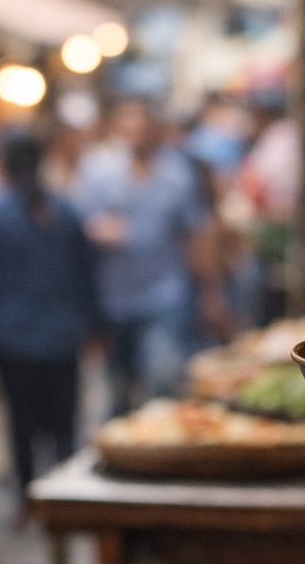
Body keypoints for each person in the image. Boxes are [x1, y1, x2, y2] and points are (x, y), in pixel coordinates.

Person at [73, 101, 225, 414]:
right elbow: (76, 223)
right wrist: (95, 231)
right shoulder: (97, 171)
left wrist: (211, 292)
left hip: (164, 293)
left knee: (162, 375)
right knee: (117, 384)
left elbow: (197, 233)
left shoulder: (178, 176)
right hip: (112, 296)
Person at [0, 131, 99, 510]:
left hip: (13, 339)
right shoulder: (65, 212)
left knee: (21, 423)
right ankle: (65, 497)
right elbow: (86, 277)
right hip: (61, 335)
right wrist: (95, 326)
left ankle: (29, 499)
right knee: (63, 424)